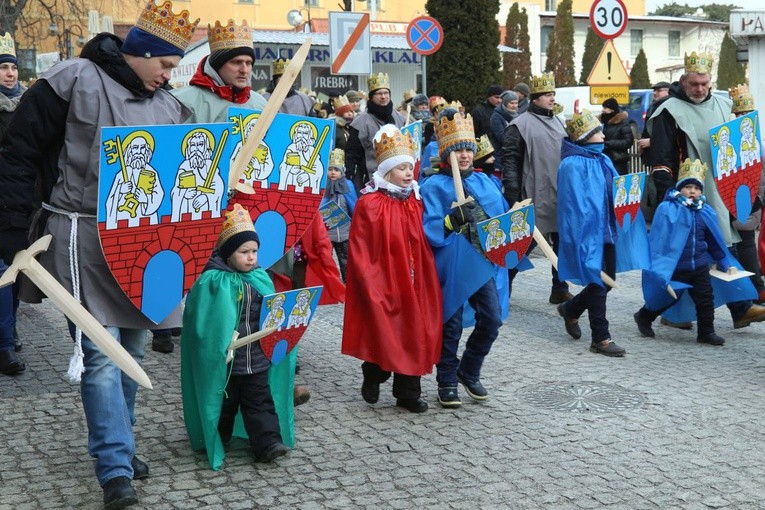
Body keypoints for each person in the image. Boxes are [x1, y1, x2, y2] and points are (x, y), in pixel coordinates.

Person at [0, 1, 198, 506]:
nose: (169, 76)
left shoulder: (171, 106)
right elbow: (19, 150)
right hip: (79, 236)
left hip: (141, 241)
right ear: (143, 53)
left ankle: (122, 444)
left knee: (130, 351)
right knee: (101, 355)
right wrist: (11, 228)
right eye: (166, 65)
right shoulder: (72, 79)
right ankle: (114, 465)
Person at [646, 52, 765, 329]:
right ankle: (675, 311)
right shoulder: (668, 111)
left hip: (722, 191)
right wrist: (671, 197)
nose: (700, 89)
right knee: (692, 253)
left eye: (704, 83)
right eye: (694, 83)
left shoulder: (724, 105)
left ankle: (733, 309)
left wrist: (748, 192)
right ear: (684, 80)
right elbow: (661, 158)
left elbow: (738, 150)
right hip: (688, 192)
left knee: (717, 249)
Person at [181, 204, 293, 469]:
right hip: (227, 363)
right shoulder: (212, 281)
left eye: (254, 251)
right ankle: (218, 435)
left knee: (260, 401)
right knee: (224, 403)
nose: (251, 257)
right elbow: (204, 322)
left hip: (256, 358)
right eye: (244, 252)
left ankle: (268, 444)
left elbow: (274, 312)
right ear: (228, 253)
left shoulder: (260, 277)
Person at [341, 124, 442, 413]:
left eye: (410, 167)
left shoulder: (417, 199)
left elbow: (430, 232)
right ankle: (374, 372)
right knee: (386, 329)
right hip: (384, 278)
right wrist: (368, 280)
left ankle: (408, 392)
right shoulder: (370, 203)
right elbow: (361, 246)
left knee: (414, 330)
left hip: (417, 277)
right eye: (401, 168)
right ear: (386, 171)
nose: (409, 173)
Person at [420, 109, 509, 409]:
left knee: (493, 319)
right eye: (457, 150)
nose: (464, 155)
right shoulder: (432, 186)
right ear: (446, 154)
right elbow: (428, 228)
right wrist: (451, 221)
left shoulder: (487, 183)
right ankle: (446, 379)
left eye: (468, 149)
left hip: (483, 264)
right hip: (452, 265)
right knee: (451, 325)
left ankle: (469, 369)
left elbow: (502, 220)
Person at [556, 109, 643, 357]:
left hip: (607, 230)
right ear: (584, 136)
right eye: (596, 131)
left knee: (608, 280)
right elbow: (572, 205)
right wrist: (581, 237)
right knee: (598, 282)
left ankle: (571, 309)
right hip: (588, 233)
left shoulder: (602, 159)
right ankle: (601, 338)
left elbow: (617, 189)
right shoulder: (572, 164)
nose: (602, 134)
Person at [634, 159, 738, 345]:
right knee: (666, 298)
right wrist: (658, 267)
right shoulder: (667, 209)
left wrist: (723, 260)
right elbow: (658, 240)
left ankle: (706, 332)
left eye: (697, 188)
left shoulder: (704, 211)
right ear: (679, 188)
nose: (692, 191)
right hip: (675, 266)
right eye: (688, 187)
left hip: (698, 265)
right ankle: (644, 316)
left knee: (706, 300)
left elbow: (714, 240)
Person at [502, 72, 571, 304]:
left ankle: (559, 286)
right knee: (522, 244)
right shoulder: (519, 125)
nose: (552, 99)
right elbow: (510, 160)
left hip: (558, 192)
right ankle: (504, 285)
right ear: (535, 99)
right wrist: (512, 194)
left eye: (553, 94)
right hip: (532, 194)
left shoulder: (558, 122)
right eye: (547, 95)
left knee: (561, 242)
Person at [172, 19, 266, 122]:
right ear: (217, 66)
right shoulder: (182, 102)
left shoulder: (261, 104)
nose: (244, 70)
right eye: (236, 62)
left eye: (248, 63)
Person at [0, 31, 27, 356]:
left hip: (21, 202)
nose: (9, 73)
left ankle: (11, 326)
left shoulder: (26, 107)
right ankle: (5, 344)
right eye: (4, 68)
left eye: (13, 68)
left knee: (18, 272)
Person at [728, 84, 765, 303]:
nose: (743, 117)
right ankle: (747, 292)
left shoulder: (759, 144)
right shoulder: (729, 141)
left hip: (751, 201)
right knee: (735, 247)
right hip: (731, 198)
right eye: (740, 114)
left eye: (747, 114)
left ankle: (756, 289)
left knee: (746, 245)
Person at [344, 73, 406, 191]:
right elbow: (352, 152)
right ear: (371, 97)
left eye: (386, 93)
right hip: (370, 177)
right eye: (379, 93)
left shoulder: (399, 117)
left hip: (397, 177)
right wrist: (349, 174)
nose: (383, 96)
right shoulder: (361, 121)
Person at [321, 148, 357, 281]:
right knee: (327, 260)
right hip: (327, 232)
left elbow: (354, 206)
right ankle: (330, 285)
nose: (333, 173)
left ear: (342, 171)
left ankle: (348, 283)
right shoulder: (323, 186)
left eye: (336, 170)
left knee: (345, 260)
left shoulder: (348, 186)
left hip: (344, 231)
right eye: (330, 169)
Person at [600, 97, 634, 175]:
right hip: (603, 159)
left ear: (612, 110)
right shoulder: (601, 122)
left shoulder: (622, 123)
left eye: (605, 108)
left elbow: (628, 141)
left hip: (618, 161)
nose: (602, 110)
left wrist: (609, 143)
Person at [489, 90, 519, 170]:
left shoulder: (517, 116)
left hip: (514, 155)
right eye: (512, 103)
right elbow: (502, 137)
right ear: (505, 104)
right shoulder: (496, 117)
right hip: (500, 156)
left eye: (516, 103)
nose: (514, 106)